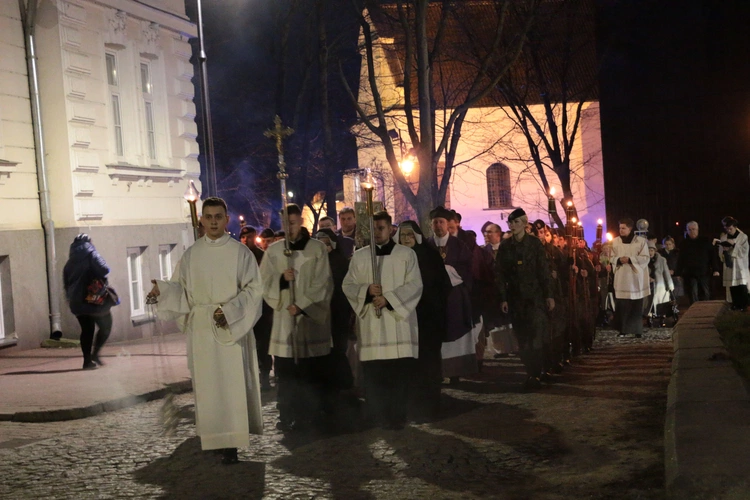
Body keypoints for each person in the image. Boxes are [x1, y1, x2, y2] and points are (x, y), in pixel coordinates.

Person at [147, 197, 264, 465]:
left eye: (218, 216)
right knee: (208, 385)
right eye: (208, 216)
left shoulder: (240, 253)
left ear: (226, 219)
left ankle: (232, 441)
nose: (213, 221)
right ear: (201, 219)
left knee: (230, 384)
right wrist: (162, 290)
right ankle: (213, 437)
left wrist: (231, 311)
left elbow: (254, 289)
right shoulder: (191, 254)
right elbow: (180, 288)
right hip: (201, 327)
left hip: (230, 329)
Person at [343, 211, 423, 430]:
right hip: (373, 326)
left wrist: (389, 299)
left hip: (398, 325)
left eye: (381, 228)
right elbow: (348, 286)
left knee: (398, 375)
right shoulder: (360, 257)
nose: (377, 233)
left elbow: (415, 285)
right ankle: (376, 414)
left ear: (390, 229)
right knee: (375, 375)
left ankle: (397, 415)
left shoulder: (406, 255)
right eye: (374, 229)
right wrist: (367, 292)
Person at [260, 204, 333, 432]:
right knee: (286, 373)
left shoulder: (317, 249)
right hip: (284, 321)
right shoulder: (273, 252)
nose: (289, 228)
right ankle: (287, 413)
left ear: (300, 222)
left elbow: (324, 282)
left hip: (309, 320)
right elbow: (263, 283)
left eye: (292, 223)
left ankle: (312, 413)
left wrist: (301, 306)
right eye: (284, 224)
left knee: (310, 372)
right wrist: (282, 280)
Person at [395, 220, 451, 421]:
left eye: (410, 235)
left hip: (428, 319)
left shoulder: (429, 256)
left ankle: (429, 405)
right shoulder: (395, 258)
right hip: (404, 319)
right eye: (403, 236)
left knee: (427, 363)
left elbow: (442, 286)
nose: (406, 239)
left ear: (417, 236)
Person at [495, 209, 554, 390]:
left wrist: (549, 295)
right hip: (516, 297)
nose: (512, 226)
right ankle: (530, 372)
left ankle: (537, 372)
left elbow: (543, 270)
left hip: (534, 296)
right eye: (510, 223)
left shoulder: (534, 244)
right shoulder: (506, 246)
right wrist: (503, 298)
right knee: (522, 336)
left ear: (524, 224)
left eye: (516, 222)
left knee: (536, 335)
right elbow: (500, 274)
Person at [426, 206, 476, 383]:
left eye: (441, 222)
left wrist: (447, 271)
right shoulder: (427, 245)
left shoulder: (458, 245)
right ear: (431, 225)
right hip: (434, 299)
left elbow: (467, 268)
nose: (438, 226)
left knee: (455, 331)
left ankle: (455, 372)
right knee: (435, 334)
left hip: (454, 297)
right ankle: (438, 371)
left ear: (448, 225)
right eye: (435, 222)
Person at [63, 234, 118, 370]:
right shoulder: (92, 254)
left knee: (86, 330)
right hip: (95, 299)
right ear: (89, 243)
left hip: (77, 302)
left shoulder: (69, 263)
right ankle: (95, 354)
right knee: (106, 326)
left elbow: (66, 284)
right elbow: (105, 269)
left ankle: (87, 361)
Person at [314, 228, 355, 391]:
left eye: (325, 244)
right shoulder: (315, 263)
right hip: (320, 315)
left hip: (337, 314)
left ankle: (343, 389)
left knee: (337, 352)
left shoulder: (340, 262)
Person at [240, 226, 273, 391]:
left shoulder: (261, 256)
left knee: (263, 344)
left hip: (261, 308)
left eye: (250, 236)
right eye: (244, 237)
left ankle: (265, 375)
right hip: (244, 308)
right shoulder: (238, 258)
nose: (247, 240)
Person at [611, 218, 650, 338]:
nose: (621, 230)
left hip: (635, 278)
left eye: (623, 228)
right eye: (620, 228)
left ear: (630, 228)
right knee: (622, 306)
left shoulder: (640, 241)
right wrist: (618, 259)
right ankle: (623, 330)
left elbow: (645, 257)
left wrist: (631, 259)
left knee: (636, 305)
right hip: (622, 278)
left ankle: (637, 330)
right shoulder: (615, 241)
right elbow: (611, 257)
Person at [676, 221, 720, 303]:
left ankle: (706, 309)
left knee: (706, 292)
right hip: (690, 273)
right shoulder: (684, 243)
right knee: (693, 293)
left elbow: (712, 256)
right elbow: (680, 259)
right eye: (689, 230)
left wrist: (715, 269)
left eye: (693, 229)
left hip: (704, 272)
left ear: (697, 229)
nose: (692, 231)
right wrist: (678, 272)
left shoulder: (705, 241)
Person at [718, 216, 749, 311]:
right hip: (730, 266)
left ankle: (743, 306)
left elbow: (745, 251)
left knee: (741, 286)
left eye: (730, 228)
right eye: (726, 228)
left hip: (740, 265)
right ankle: (735, 305)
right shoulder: (723, 237)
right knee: (732, 286)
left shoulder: (743, 237)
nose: (728, 230)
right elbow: (720, 253)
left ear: (735, 226)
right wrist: (724, 250)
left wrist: (734, 245)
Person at [647, 241, 674, 323]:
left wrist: (670, 285)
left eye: (652, 250)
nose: (650, 252)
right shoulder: (644, 261)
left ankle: (661, 318)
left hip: (660, 286)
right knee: (649, 303)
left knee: (660, 303)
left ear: (655, 251)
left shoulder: (661, 260)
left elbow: (666, 273)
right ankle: (650, 318)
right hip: (648, 286)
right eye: (648, 250)